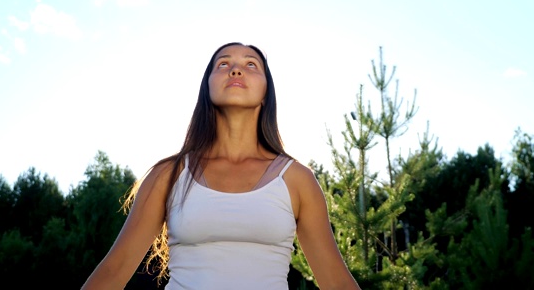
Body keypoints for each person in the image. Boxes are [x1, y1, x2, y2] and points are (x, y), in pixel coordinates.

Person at [81, 42, 361, 289]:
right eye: (223, 63)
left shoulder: (297, 179)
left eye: (251, 65)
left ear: (265, 94)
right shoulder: (168, 175)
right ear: (208, 88)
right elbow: (113, 271)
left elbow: (336, 282)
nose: (236, 70)